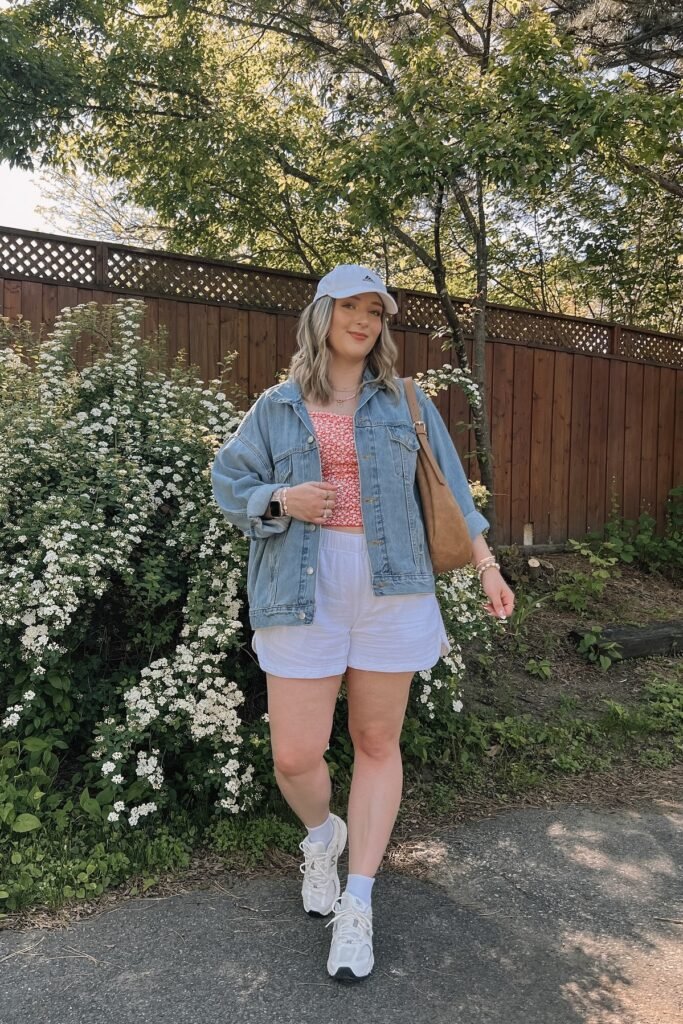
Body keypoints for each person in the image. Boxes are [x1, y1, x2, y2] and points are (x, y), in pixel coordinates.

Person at [211, 264, 515, 981]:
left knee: (376, 741)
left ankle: (358, 900)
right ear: (322, 315)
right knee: (294, 755)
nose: (363, 320)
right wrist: (282, 498)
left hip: (392, 588)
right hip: (299, 588)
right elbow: (230, 483)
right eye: (349, 306)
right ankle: (322, 837)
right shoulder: (275, 407)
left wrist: (486, 564)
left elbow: (448, 487)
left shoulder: (405, 402)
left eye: (375, 311)